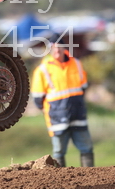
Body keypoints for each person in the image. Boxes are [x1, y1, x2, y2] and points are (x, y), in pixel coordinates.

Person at [31, 36, 95, 167]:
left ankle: (90, 175)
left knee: (86, 147)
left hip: (78, 115)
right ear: (49, 50)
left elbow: (83, 87)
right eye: (53, 48)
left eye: (59, 47)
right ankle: (60, 178)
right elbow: (38, 98)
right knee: (58, 152)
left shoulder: (76, 64)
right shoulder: (42, 70)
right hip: (57, 118)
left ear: (64, 48)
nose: (57, 51)